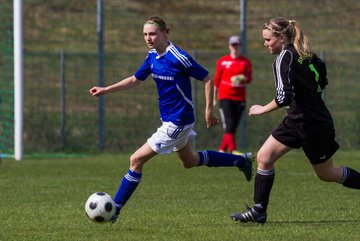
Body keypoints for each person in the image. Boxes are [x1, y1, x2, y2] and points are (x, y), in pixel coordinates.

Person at [89, 16, 254, 223]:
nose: (148, 38)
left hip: (178, 122)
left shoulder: (178, 57)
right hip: (171, 120)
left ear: (165, 34)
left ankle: (115, 210)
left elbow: (207, 78)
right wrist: (106, 89)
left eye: (153, 34)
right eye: (145, 34)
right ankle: (241, 160)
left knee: (136, 160)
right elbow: (134, 80)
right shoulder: (152, 57)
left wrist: (208, 111)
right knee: (190, 161)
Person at [231, 17, 360, 224]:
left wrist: (261, 109)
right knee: (264, 157)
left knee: (327, 173)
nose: (265, 44)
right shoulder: (308, 56)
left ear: (281, 38)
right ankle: (259, 211)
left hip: (312, 125)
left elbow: (284, 97)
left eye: (267, 39)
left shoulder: (284, 57)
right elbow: (322, 79)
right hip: (296, 120)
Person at [214, 35, 252, 154]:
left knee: (233, 126)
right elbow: (216, 80)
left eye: (237, 45)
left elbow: (249, 79)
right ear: (229, 46)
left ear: (240, 46)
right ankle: (233, 149)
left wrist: (243, 78)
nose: (235, 47)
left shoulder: (245, 62)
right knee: (229, 124)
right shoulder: (223, 61)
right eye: (233, 45)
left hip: (240, 98)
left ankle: (221, 150)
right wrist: (213, 97)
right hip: (225, 97)